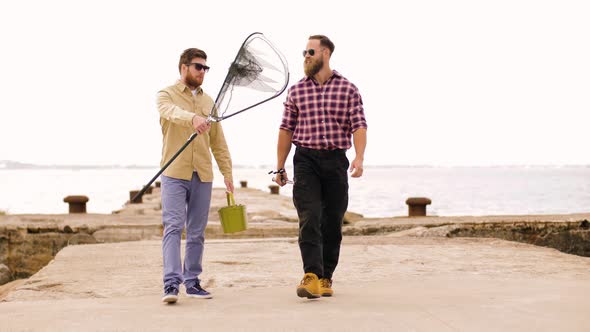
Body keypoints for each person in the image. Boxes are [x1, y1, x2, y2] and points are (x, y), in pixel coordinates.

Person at [274, 35, 368, 299]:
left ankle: (326, 277)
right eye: (304, 51)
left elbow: (359, 125)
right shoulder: (297, 91)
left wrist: (359, 158)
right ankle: (311, 275)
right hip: (305, 160)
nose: (306, 55)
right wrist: (280, 166)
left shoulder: (348, 89)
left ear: (325, 53)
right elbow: (286, 130)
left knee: (332, 221)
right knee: (309, 215)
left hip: (336, 160)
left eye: (310, 51)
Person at [157, 48, 234, 303]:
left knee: (197, 231)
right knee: (173, 226)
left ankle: (192, 282)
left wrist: (228, 174)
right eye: (198, 67)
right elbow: (170, 113)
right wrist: (192, 118)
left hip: (203, 173)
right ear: (183, 67)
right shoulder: (165, 95)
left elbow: (219, 142)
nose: (202, 72)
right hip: (174, 172)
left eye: (205, 68)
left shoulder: (209, 101)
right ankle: (171, 284)